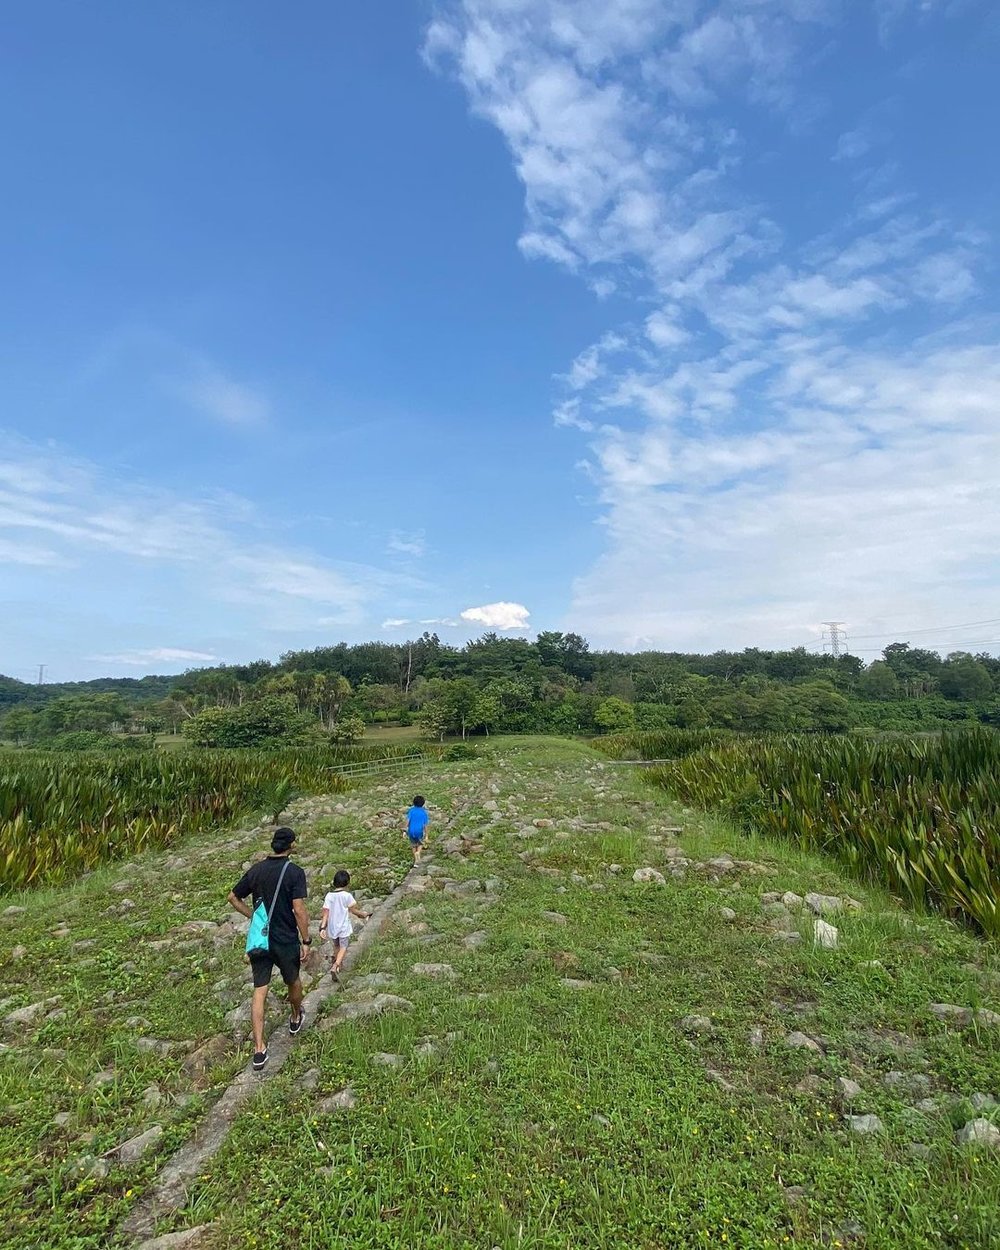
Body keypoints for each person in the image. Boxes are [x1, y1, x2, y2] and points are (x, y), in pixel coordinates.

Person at [227, 826, 311, 1071]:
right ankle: (295, 1017)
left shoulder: (256, 870)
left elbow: (233, 897)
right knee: (293, 981)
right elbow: (299, 909)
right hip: (285, 939)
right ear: (291, 846)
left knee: (259, 991)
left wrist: (254, 917)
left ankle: (259, 1049)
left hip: (260, 941)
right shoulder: (295, 872)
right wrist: (306, 940)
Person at [319, 869, 371, 981]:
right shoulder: (347, 896)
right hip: (343, 926)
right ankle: (336, 965)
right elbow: (353, 910)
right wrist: (363, 914)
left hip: (332, 927)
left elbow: (325, 913)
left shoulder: (329, 895)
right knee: (344, 946)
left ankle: (339, 966)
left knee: (336, 946)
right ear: (347, 883)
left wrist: (323, 927)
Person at [405, 794, 430, 863]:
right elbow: (425, 825)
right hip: (419, 831)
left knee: (413, 845)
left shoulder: (411, 811)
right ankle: (418, 852)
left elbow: (407, 821)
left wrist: (405, 830)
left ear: (413, 803)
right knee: (420, 843)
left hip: (411, 831)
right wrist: (427, 835)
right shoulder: (424, 813)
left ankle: (416, 860)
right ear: (423, 804)